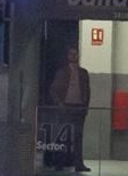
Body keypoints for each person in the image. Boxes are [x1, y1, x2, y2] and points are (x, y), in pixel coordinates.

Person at [46, 45, 91, 173]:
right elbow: (53, 90)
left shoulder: (83, 73)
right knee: (63, 136)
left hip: (78, 108)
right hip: (66, 107)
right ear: (68, 56)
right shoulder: (62, 72)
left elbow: (87, 91)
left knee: (78, 136)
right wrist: (60, 104)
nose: (73, 56)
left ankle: (78, 163)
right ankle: (59, 162)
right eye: (71, 54)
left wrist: (85, 107)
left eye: (75, 54)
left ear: (78, 56)